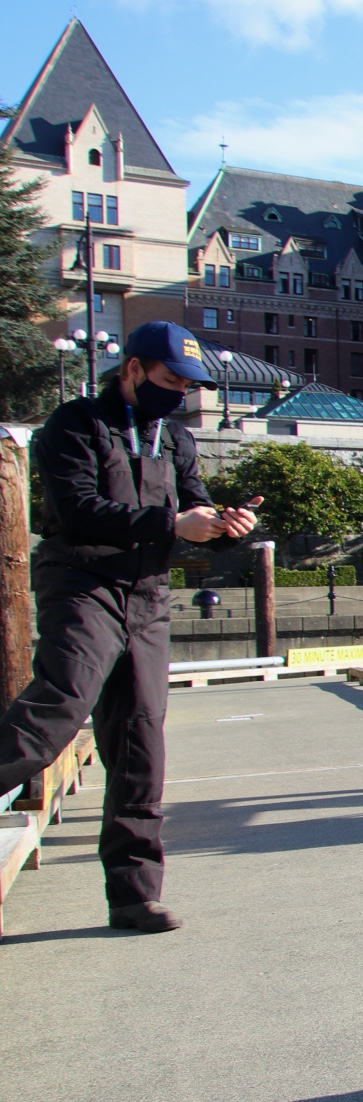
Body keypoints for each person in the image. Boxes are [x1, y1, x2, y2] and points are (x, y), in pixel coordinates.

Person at [0, 322, 258, 932]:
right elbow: (79, 509)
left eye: (190, 386)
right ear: (134, 369)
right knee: (60, 706)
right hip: (82, 584)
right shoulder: (74, 424)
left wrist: (224, 526)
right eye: (171, 381)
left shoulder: (175, 440)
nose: (181, 394)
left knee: (141, 742)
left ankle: (134, 895)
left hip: (148, 596)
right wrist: (172, 523)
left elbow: (192, 510)